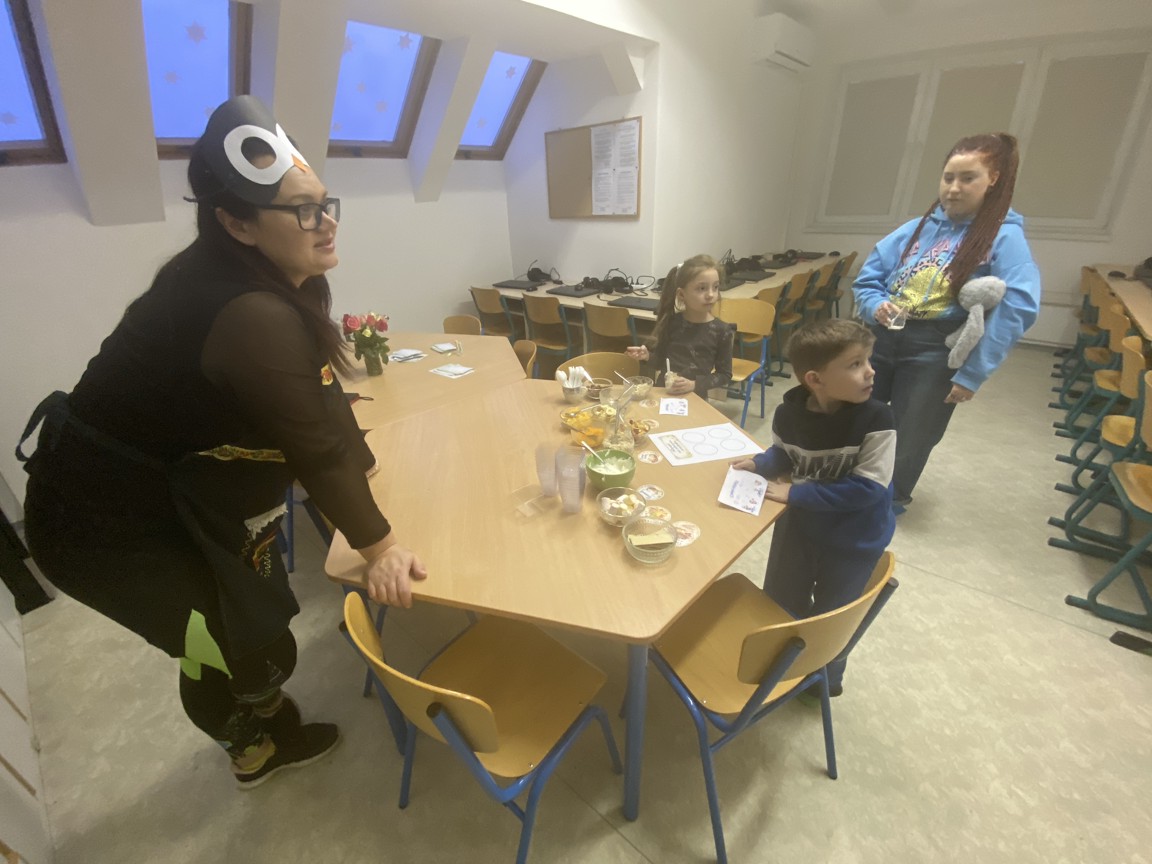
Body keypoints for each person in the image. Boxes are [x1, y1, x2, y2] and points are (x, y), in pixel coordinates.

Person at [15, 96, 427, 788]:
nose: (326, 222)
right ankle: (251, 749)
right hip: (100, 526)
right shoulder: (248, 312)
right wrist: (380, 548)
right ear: (236, 223)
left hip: (179, 495)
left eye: (325, 204)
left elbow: (321, 402)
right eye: (303, 210)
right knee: (214, 640)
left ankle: (261, 705)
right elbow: (315, 448)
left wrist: (365, 469)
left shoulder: (278, 280)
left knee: (255, 626)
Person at [852, 133, 1041, 510]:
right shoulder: (916, 228)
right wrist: (875, 304)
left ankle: (887, 501)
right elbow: (868, 278)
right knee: (854, 412)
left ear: (993, 180)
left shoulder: (1004, 236)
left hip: (936, 349)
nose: (954, 188)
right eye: (948, 177)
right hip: (882, 336)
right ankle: (847, 481)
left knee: (913, 430)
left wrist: (973, 373)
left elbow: (1019, 306)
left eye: (968, 178)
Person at [732, 319, 895, 695]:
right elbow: (785, 454)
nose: (870, 371)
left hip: (854, 539)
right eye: (855, 364)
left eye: (868, 360)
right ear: (815, 380)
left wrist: (796, 494)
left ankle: (822, 685)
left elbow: (868, 488)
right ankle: (778, 673)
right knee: (779, 601)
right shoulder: (788, 414)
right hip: (800, 529)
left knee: (830, 619)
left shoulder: (878, 418)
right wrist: (760, 464)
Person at [626, 254, 735, 397]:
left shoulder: (722, 331)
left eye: (715, 287)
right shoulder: (671, 322)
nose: (711, 294)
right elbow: (661, 362)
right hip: (664, 392)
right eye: (702, 288)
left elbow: (724, 375)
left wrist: (694, 384)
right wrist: (647, 357)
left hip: (695, 397)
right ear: (682, 294)